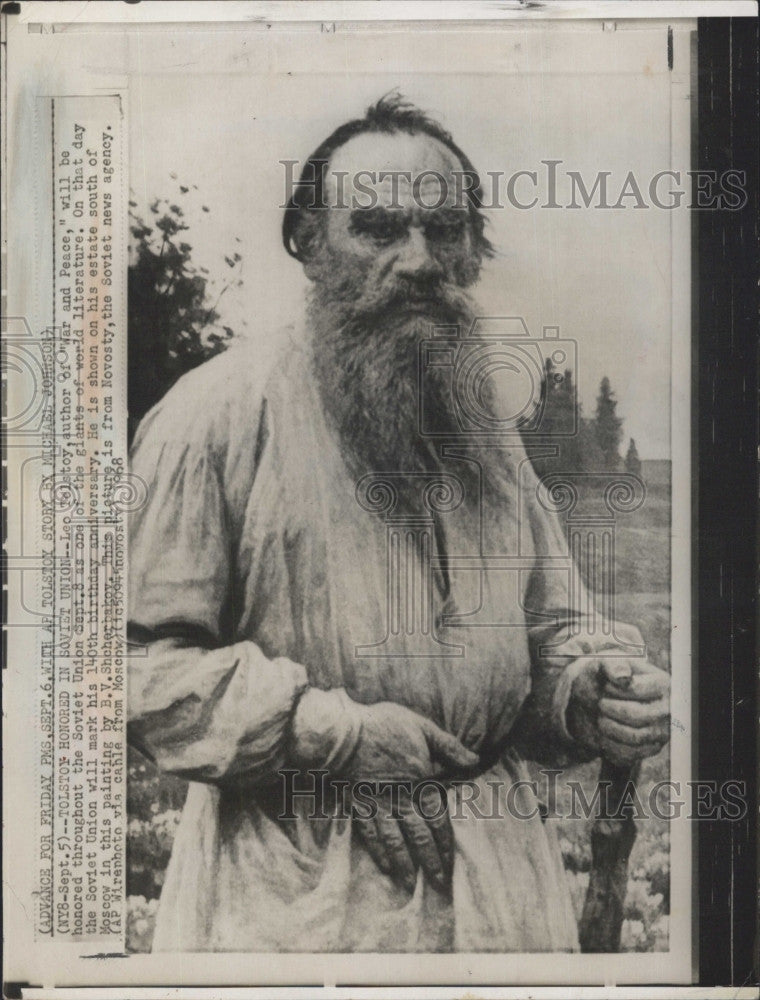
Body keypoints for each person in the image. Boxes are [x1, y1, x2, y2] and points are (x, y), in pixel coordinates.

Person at [128, 94, 670, 952]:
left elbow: (550, 630)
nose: (419, 261)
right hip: (293, 904)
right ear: (309, 245)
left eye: (445, 231)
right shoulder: (218, 415)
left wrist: (588, 695)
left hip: (503, 898)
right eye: (377, 229)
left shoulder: (482, 425)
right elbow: (135, 675)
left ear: (473, 248)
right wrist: (335, 738)